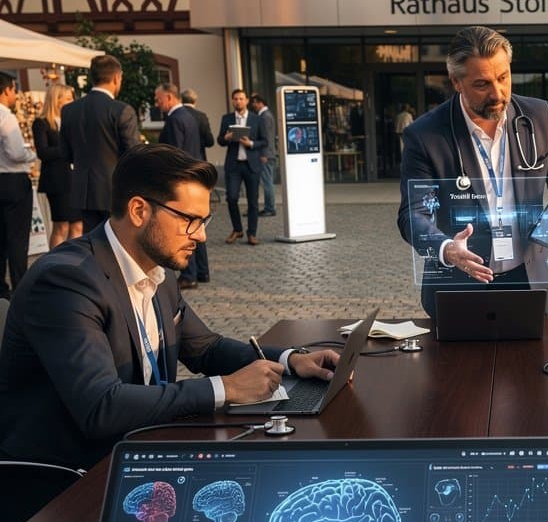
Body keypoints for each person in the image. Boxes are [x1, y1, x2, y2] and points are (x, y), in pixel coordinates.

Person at [0, 144, 340, 471]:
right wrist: (228, 388)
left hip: (135, 449)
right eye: (189, 220)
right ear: (138, 211)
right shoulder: (66, 281)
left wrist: (291, 360)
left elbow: (204, 348)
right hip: (65, 482)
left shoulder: (155, 268)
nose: (202, 236)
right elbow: (101, 406)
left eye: (204, 221)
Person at [397, 26, 548, 318]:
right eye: (482, 84)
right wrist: (446, 248)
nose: (498, 94)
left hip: (529, 277)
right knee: (457, 365)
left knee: (533, 363)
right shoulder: (425, 135)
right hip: (460, 283)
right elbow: (413, 215)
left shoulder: (539, 116)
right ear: (456, 82)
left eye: (503, 78)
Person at [59, 54, 140, 231]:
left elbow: (65, 154)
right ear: (117, 78)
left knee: (92, 243)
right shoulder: (121, 110)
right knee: (117, 243)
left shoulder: (69, 110)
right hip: (115, 189)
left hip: (83, 189)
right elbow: (134, 155)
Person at [155, 83, 208, 290]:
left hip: (182, 180)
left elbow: (175, 155)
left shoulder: (175, 119)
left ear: (169, 97)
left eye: (159, 100)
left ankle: (189, 274)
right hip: (193, 177)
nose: (157, 104)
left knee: (187, 228)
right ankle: (202, 271)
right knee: (197, 225)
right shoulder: (188, 116)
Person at [0, 74, 37, 299]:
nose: (15, 95)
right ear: (6, 91)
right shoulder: (7, 117)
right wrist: (31, 154)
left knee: (0, 238)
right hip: (13, 181)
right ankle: (20, 288)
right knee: (17, 239)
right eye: (14, 90)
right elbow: (15, 153)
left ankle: (1, 288)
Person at [32, 83, 81, 248]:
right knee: (62, 226)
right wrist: (66, 149)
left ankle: (75, 263)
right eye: (68, 98)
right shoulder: (42, 123)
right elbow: (43, 152)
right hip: (57, 182)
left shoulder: (72, 121)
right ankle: (55, 265)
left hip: (74, 180)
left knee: (78, 225)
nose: (71, 101)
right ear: (56, 99)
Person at [217, 88, 266, 246]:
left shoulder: (256, 119)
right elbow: (219, 140)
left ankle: (252, 233)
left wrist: (250, 143)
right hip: (234, 165)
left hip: (251, 165)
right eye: (235, 99)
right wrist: (227, 137)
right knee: (231, 198)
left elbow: (264, 141)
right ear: (232, 101)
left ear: (246, 101)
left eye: (241, 99)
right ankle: (237, 229)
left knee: (253, 201)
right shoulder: (227, 118)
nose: (238, 101)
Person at [251, 93, 277, 216]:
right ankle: (269, 207)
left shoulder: (264, 116)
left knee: (267, 182)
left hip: (266, 155)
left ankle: (270, 208)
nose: (253, 105)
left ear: (261, 103)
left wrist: (264, 154)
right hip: (268, 153)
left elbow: (266, 137)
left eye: (255, 102)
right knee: (267, 181)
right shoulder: (267, 115)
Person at [180, 88, 215, 161]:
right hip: (199, 159)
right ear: (195, 101)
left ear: (181, 100)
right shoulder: (202, 116)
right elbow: (210, 142)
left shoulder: (177, 115)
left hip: (182, 159)